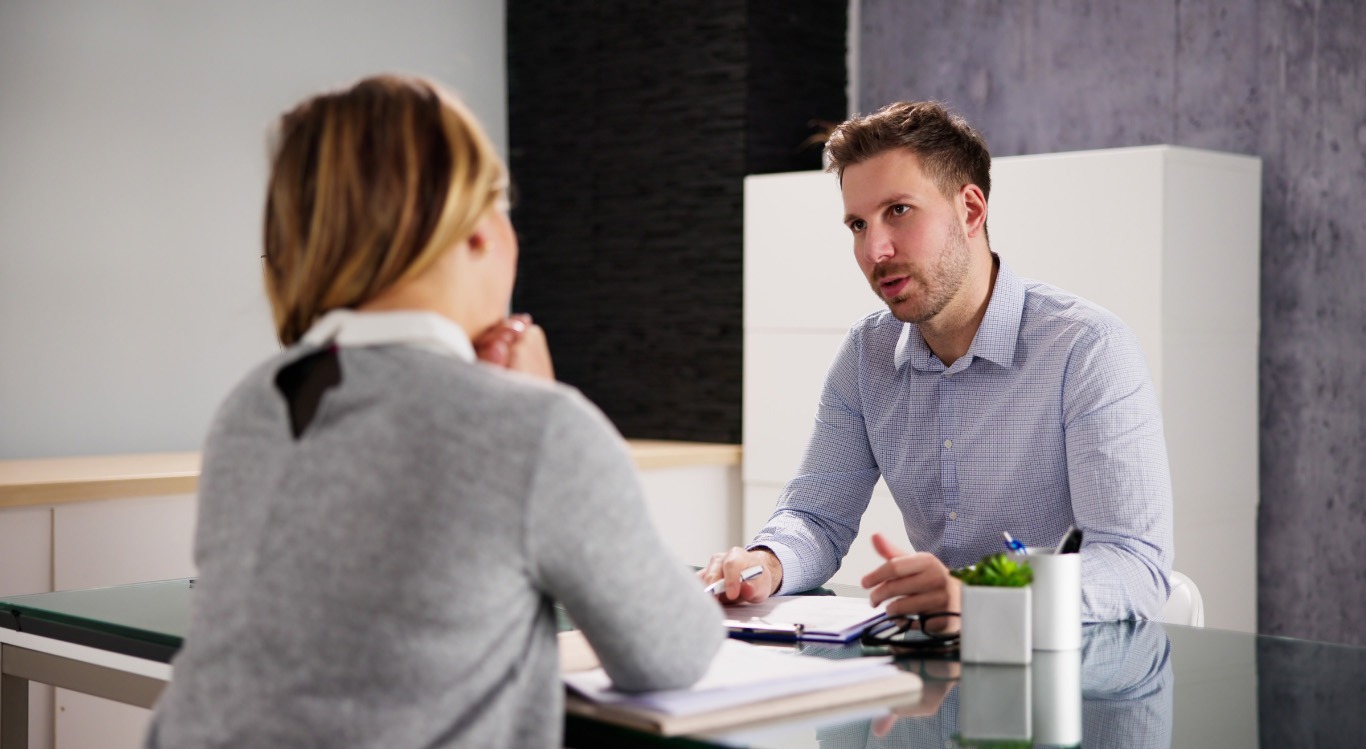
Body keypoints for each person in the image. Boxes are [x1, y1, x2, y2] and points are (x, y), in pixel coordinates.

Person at [145, 74, 723, 749]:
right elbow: (674, 651)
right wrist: (531, 401)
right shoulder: (535, 429)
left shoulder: (252, 405)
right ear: (478, 232)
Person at [702, 100, 1173, 624]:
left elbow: (1132, 564)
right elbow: (817, 517)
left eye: (898, 211)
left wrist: (980, 594)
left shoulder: (1088, 349)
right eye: (858, 224)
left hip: (1078, 677)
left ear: (971, 210)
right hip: (936, 671)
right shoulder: (865, 356)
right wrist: (766, 563)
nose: (875, 249)